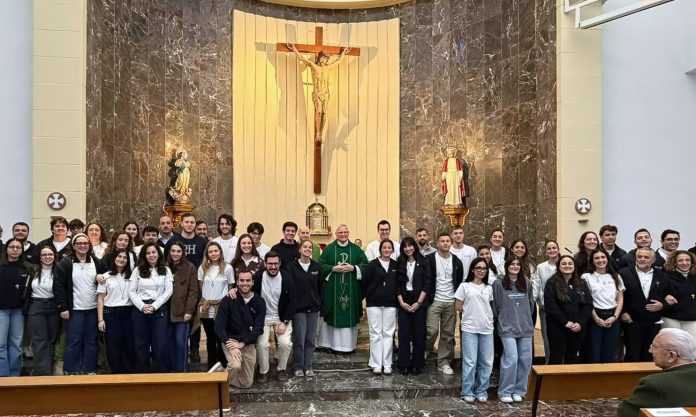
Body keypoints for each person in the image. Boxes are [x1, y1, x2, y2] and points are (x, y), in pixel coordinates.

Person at [54, 233, 107, 374]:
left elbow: (105, 280)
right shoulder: (65, 263)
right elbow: (58, 286)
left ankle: (89, 370)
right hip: (74, 310)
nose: (82, 246)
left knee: (91, 341)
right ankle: (71, 370)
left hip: (93, 309)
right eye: (79, 243)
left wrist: (100, 277)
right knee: (73, 341)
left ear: (89, 245)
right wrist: (63, 307)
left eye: (85, 243)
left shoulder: (96, 262)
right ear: (73, 246)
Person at [616, 328, 696, 417]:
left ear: (671, 356)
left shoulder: (655, 384)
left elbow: (625, 414)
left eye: (654, 346)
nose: (650, 351)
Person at [317, 224, 368, 353]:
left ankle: (348, 346)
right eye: (340, 232)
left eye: (345, 232)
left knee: (349, 313)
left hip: (352, 289)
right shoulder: (329, 249)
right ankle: (330, 344)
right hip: (333, 290)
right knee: (332, 313)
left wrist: (354, 268)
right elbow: (320, 265)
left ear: (348, 233)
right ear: (336, 234)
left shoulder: (356, 249)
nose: (343, 234)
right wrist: (333, 268)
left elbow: (366, 265)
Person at [287, 43, 350, 144]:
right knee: (319, 112)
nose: (323, 60)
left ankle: (321, 134)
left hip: (325, 94)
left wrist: (343, 52)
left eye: (325, 58)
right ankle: (317, 133)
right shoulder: (314, 66)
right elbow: (301, 58)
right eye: (322, 58)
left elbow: (338, 61)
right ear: (319, 58)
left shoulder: (328, 68)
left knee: (324, 113)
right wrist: (294, 49)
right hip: (317, 93)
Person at [493, 257, 535, 403]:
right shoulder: (498, 284)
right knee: (511, 358)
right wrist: (502, 321)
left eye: (518, 264)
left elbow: (531, 305)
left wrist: (526, 320)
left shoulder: (527, 283)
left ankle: (520, 390)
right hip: (507, 327)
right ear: (507, 266)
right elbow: (496, 306)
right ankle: (505, 391)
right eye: (512, 264)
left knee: (525, 360)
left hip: (525, 327)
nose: (515, 266)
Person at [214, 270, 265, 389]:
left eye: (248, 280)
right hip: (231, 340)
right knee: (235, 366)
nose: (245, 283)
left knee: (247, 383)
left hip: (248, 342)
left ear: (252, 282)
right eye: (242, 280)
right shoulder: (228, 300)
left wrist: (242, 344)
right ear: (237, 282)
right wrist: (229, 344)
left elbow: (258, 328)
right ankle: (219, 384)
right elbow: (219, 325)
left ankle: (221, 374)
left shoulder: (259, 301)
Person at [128, 242, 173, 373]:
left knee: (160, 344)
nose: (151, 255)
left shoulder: (166, 270)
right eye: (148, 253)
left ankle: (161, 375)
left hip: (159, 310)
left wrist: (154, 306)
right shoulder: (137, 270)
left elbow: (168, 291)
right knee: (141, 345)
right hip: (140, 310)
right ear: (144, 255)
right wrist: (142, 306)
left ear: (159, 254)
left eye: (154, 252)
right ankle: (142, 375)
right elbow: (131, 291)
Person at [455, 258, 495, 403]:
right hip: (470, 328)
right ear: (472, 269)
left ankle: (481, 390)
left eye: (484, 268)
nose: (481, 271)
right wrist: (471, 314)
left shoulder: (489, 288)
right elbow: (458, 306)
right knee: (470, 361)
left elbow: (490, 306)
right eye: (478, 268)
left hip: (487, 328)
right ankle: (467, 391)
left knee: (487, 362)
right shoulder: (464, 286)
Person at [252, 252, 295, 382]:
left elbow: (292, 301)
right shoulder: (258, 277)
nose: (273, 266)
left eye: (276, 263)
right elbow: (249, 294)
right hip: (263, 317)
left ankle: (281, 369)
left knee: (285, 343)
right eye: (270, 263)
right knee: (262, 344)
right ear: (265, 264)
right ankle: (263, 371)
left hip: (281, 317)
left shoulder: (286, 277)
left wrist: (285, 321)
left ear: (279, 264)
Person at [426, 232, 464, 375]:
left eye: (448, 241)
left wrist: (457, 300)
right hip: (434, 300)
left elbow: (458, 281)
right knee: (432, 330)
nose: (445, 243)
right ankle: (426, 349)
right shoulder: (429, 259)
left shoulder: (457, 262)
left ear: (451, 243)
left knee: (448, 334)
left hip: (450, 301)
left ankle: (444, 362)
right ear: (437, 243)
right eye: (442, 241)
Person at [619, 247, 666, 362]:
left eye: (646, 257)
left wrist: (663, 304)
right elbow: (617, 296)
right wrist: (623, 312)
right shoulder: (623, 273)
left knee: (650, 354)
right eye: (639, 257)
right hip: (632, 320)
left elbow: (669, 294)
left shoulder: (661, 275)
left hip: (653, 321)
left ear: (653, 260)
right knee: (632, 353)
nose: (642, 259)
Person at [544, 255, 592, 365]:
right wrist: (565, 322)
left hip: (577, 327)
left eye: (570, 263)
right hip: (557, 327)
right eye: (564, 264)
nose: (567, 266)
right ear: (559, 266)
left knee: (572, 357)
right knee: (556, 357)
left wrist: (580, 323)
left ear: (574, 266)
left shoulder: (581, 283)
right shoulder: (551, 283)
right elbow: (551, 306)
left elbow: (588, 305)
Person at [396, 236, 431, 375]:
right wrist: (401, 302)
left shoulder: (424, 261)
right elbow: (397, 285)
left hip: (419, 300)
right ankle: (403, 364)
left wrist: (419, 302)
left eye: (410, 245)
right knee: (404, 333)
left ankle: (418, 364)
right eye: (405, 246)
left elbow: (427, 283)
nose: (408, 248)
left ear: (414, 247)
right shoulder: (400, 262)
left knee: (419, 334)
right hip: (404, 300)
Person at [582, 249, 625, 363]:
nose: (600, 260)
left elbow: (620, 299)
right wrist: (596, 319)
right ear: (592, 261)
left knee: (610, 353)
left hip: (612, 317)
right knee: (594, 353)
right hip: (594, 317)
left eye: (603, 257)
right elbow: (587, 300)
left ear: (607, 259)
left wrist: (614, 317)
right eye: (596, 258)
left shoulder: (616, 276)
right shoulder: (586, 277)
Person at [287, 240, 322, 377]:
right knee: (299, 339)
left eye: (310, 247)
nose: (308, 249)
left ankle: (308, 366)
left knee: (310, 340)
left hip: (313, 309)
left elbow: (321, 288)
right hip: (298, 310)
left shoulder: (316, 267)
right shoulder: (292, 267)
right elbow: (289, 288)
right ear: (300, 249)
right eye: (305, 247)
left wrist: (320, 304)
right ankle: (297, 366)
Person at [23, 245, 60, 375]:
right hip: (36, 306)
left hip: (54, 306)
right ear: (39, 257)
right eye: (44, 255)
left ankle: (47, 370)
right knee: (39, 340)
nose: (47, 257)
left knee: (51, 340)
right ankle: (42, 373)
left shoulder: (59, 270)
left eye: (50, 254)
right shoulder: (32, 271)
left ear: (54, 256)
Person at [97, 248, 135, 374]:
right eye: (119, 257)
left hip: (128, 313)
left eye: (125, 258)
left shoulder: (132, 276)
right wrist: (100, 320)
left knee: (128, 346)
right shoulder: (105, 276)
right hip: (111, 314)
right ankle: (115, 375)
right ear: (114, 259)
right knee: (113, 346)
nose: (122, 259)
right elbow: (100, 299)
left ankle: (128, 375)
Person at [363, 240, 399, 375]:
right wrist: (370, 295)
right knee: (375, 333)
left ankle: (387, 364)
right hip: (374, 304)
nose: (387, 250)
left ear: (392, 250)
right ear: (380, 249)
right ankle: (376, 364)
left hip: (391, 304)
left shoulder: (396, 265)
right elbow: (365, 282)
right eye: (384, 247)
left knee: (388, 334)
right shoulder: (372, 264)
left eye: (389, 247)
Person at [198, 242, 235, 370]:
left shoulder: (228, 268)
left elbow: (230, 287)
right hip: (207, 307)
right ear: (207, 254)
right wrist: (207, 300)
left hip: (221, 307)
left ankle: (224, 364)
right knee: (210, 338)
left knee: (221, 337)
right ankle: (212, 365)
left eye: (216, 251)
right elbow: (201, 286)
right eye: (210, 251)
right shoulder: (203, 268)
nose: (213, 254)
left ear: (220, 252)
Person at [166, 242, 200, 372]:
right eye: (173, 251)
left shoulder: (190, 267)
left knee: (181, 342)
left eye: (178, 251)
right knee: (168, 343)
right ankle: (170, 371)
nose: (175, 254)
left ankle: (182, 371)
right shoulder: (164, 266)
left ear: (183, 253)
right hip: (164, 312)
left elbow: (193, 291)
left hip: (182, 312)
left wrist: (189, 311)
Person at [0, 239, 30, 376]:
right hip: (2, 310)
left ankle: (14, 375)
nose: (15, 249)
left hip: (19, 311)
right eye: (12, 247)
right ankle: (3, 376)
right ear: (6, 249)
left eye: (18, 247)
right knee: (1, 345)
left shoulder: (27, 268)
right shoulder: (1, 266)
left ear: (22, 250)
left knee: (16, 345)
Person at [532, 240, 559, 364]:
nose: (552, 250)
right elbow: (538, 287)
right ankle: (549, 363)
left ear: (558, 249)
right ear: (546, 251)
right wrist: (542, 303)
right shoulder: (540, 267)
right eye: (549, 248)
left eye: (554, 247)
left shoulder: (565, 264)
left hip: (564, 309)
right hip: (546, 309)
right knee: (547, 337)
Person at [661, 250, 696, 339]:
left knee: (693, 345)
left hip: (691, 319)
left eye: (687, 260)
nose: (684, 263)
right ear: (674, 262)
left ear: (691, 262)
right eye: (680, 260)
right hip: (671, 318)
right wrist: (665, 296)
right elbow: (657, 293)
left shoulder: (693, 277)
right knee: (674, 344)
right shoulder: (666, 277)